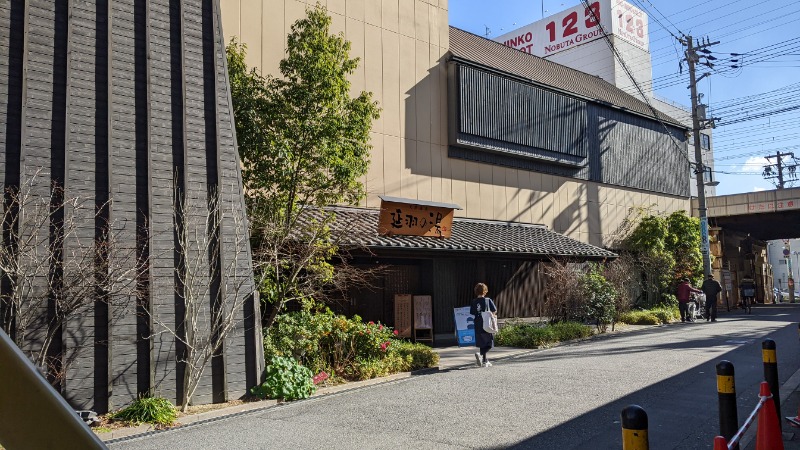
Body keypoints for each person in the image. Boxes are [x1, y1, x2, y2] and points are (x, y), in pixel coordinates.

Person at [470, 283, 497, 367]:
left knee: (482, 343)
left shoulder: (474, 301)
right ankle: (481, 355)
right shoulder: (487, 300)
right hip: (486, 324)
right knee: (489, 343)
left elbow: (472, 312)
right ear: (485, 291)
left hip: (477, 324)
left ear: (476, 291)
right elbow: (494, 310)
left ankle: (485, 361)